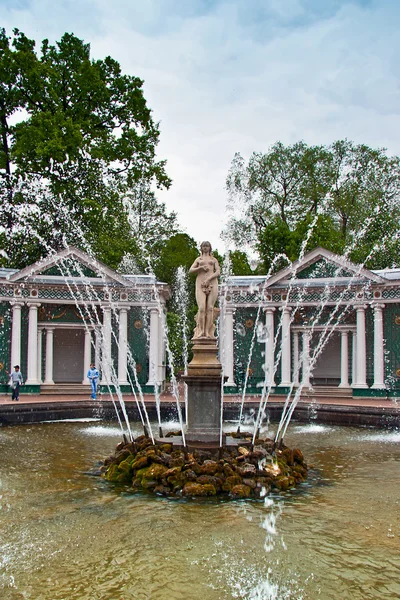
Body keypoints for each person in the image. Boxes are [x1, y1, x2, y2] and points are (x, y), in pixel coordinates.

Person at [189, 241, 220, 338]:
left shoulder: (213, 259)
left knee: (210, 308)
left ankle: (207, 332)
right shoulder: (198, 259)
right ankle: (201, 331)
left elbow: (218, 272)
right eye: (203, 246)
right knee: (202, 308)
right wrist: (200, 268)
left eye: (207, 246)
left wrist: (209, 278)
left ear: (210, 248)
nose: (205, 247)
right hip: (200, 283)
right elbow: (190, 270)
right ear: (201, 248)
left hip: (212, 283)